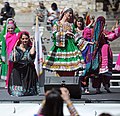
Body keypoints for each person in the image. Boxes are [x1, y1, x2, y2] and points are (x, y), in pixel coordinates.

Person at [43, 8, 85, 77]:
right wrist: (64, 34)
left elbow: (76, 36)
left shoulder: (71, 25)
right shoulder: (57, 24)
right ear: (65, 13)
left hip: (71, 47)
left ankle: (70, 85)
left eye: (72, 13)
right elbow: (54, 35)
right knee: (60, 69)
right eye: (69, 13)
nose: (71, 15)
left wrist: (86, 43)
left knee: (71, 69)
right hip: (60, 48)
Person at [8, 31, 39, 96]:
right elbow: (14, 59)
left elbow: (32, 55)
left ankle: (28, 90)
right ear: (20, 39)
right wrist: (14, 47)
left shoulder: (29, 48)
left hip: (28, 68)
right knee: (18, 92)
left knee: (28, 91)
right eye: (23, 39)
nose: (24, 40)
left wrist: (33, 44)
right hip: (18, 68)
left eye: (26, 39)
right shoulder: (17, 48)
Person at [2, 18, 20, 88]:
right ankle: (8, 83)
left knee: (15, 69)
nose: (10, 30)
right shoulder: (5, 36)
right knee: (9, 69)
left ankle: (15, 83)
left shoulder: (16, 35)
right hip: (8, 54)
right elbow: (4, 46)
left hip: (15, 53)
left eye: (12, 28)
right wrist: (3, 56)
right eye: (9, 28)